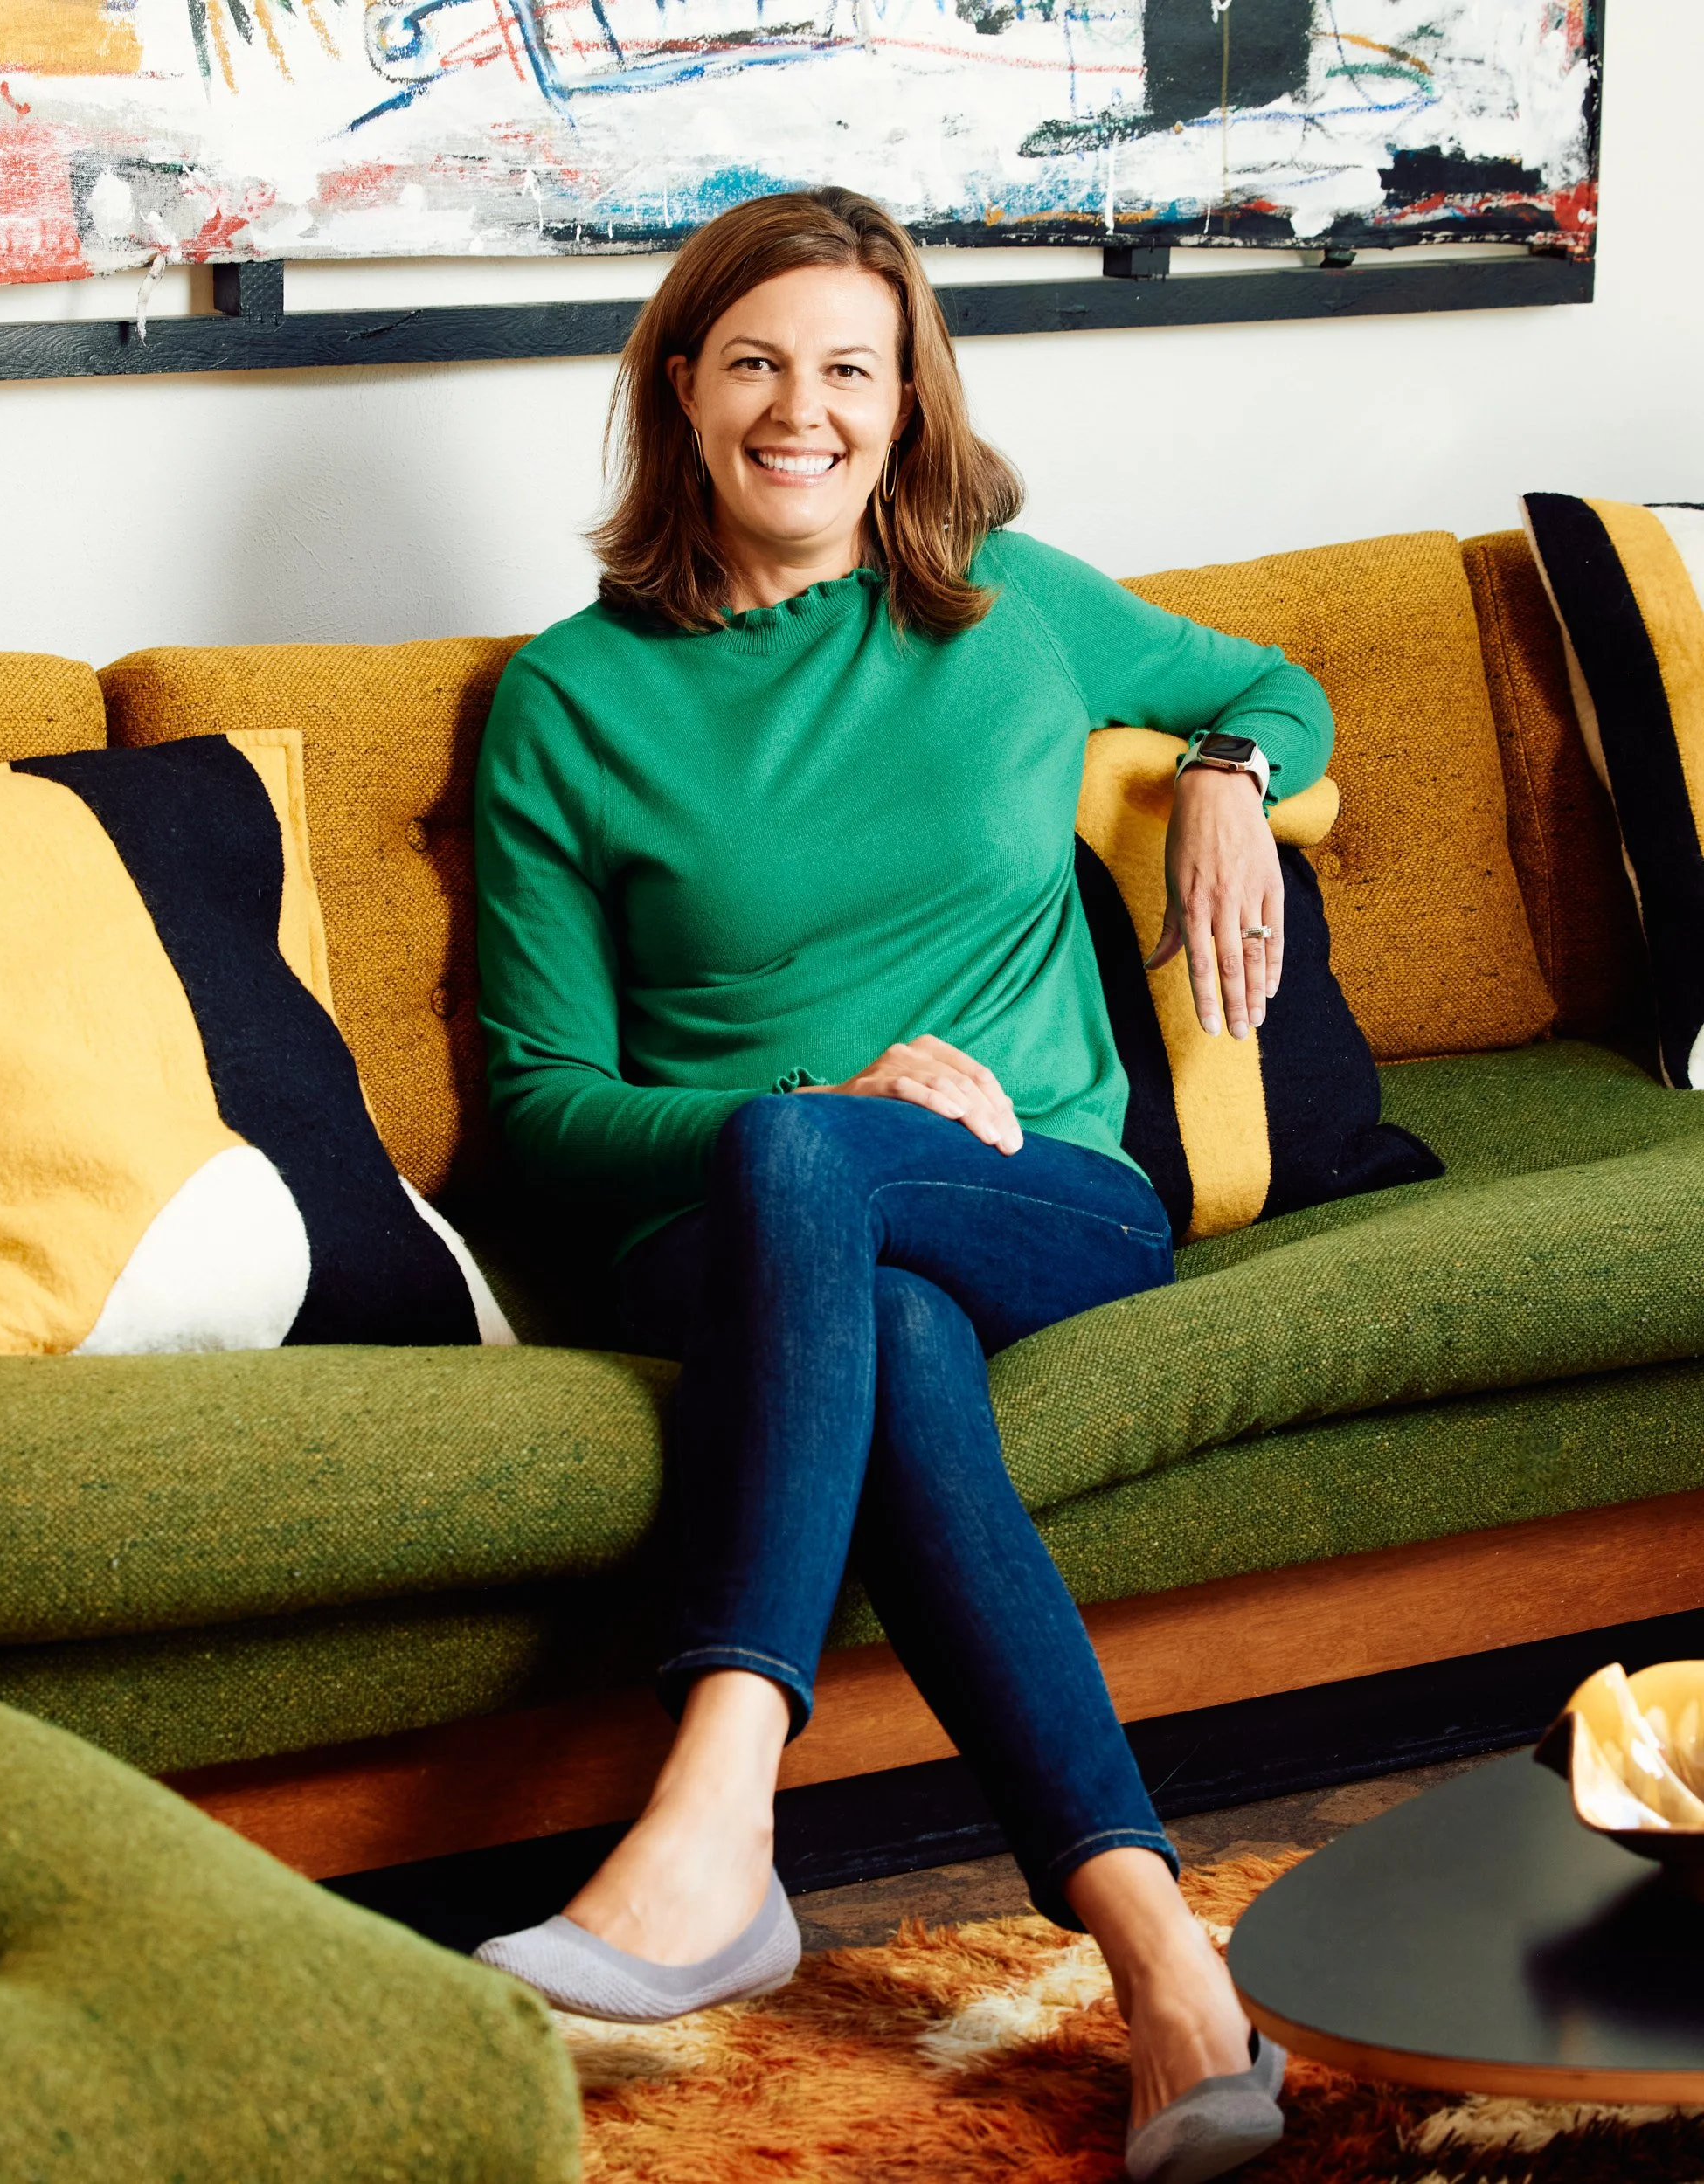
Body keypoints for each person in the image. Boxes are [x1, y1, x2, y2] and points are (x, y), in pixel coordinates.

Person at [471, 187, 1332, 2183]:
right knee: (857, 1264)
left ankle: (714, 1815)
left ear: (905, 395)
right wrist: (819, 1091)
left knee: (888, 1252)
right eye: (757, 360)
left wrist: (1221, 776)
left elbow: (1270, 682)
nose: (805, 408)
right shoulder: (570, 702)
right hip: (721, 1223)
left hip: (1044, 1187)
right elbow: (537, 1105)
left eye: (850, 368)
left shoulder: (1007, 602)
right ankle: (1162, 1965)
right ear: (680, 387)